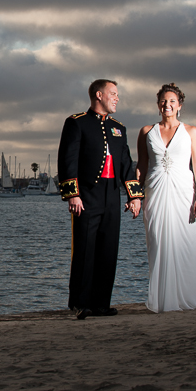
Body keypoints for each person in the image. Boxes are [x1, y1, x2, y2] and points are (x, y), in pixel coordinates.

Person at [58, 79, 143, 320]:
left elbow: (126, 164)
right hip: (87, 196)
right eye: (113, 94)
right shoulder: (76, 123)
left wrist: (134, 197)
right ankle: (80, 304)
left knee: (108, 250)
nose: (117, 98)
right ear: (99, 95)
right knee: (84, 250)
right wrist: (72, 194)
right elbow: (68, 160)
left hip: (111, 197)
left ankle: (101, 304)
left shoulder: (119, 128)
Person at [136, 83, 196, 313]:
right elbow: (141, 165)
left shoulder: (192, 132)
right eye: (163, 101)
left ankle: (189, 295)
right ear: (158, 104)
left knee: (186, 241)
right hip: (155, 191)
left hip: (183, 192)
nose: (167, 105)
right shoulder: (145, 132)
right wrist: (136, 195)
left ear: (179, 105)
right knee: (158, 240)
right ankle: (164, 299)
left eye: (172, 101)